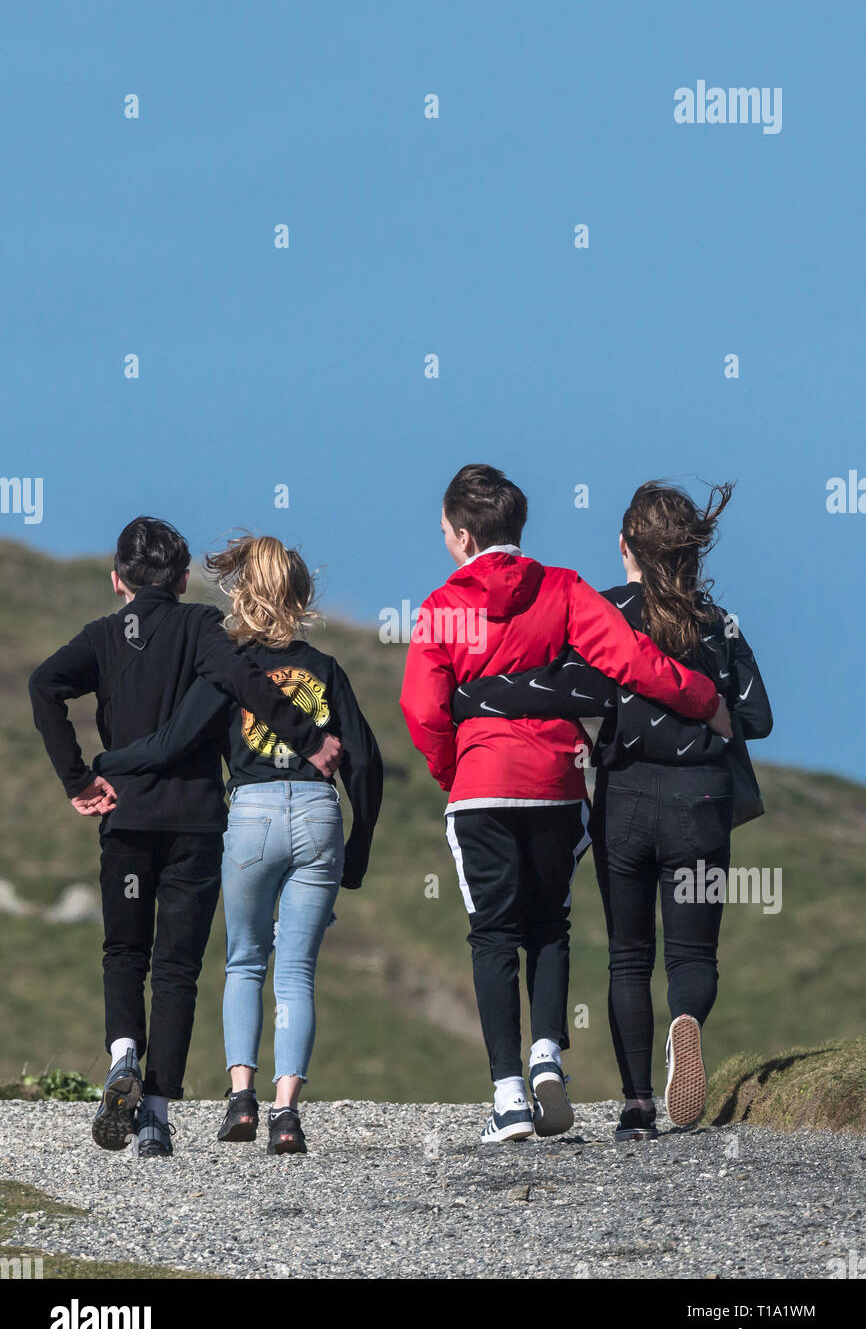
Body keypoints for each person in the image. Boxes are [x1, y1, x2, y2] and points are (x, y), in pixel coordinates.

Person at [399, 465, 731, 1144]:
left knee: (493, 934)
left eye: (443, 534)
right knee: (549, 925)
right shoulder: (564, 587)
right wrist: (701, 697)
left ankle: (509, 1097)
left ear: (463, 536)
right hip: (553, 782)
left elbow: (420, 706)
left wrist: (449, 768)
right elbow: (632, 661)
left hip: (482, 780)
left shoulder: (442, 606)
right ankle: (549, 1055)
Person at [29, 518, 341, 1158]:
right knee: (177, 969)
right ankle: (156, 1119)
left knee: (124, 953)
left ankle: (122, 1055)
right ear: (182, 579)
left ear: (117, 580)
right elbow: (247, 682)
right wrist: (308, 739)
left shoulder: (102, 637)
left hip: (126, 818)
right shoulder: (202, 627)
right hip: (196, 824)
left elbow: (43, 686)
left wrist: (77, 776)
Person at [95, 535, 382, 1155]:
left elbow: (173, 742)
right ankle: (286, 1114)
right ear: (303, 598)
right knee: (297, 971)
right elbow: (367, 763)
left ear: (241, 595)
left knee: (245, 961)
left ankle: (241, 1099)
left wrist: (106, 762)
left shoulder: (229, 667)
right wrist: (359, 846)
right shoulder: (327, 669)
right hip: (317, 814)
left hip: (250, 816)